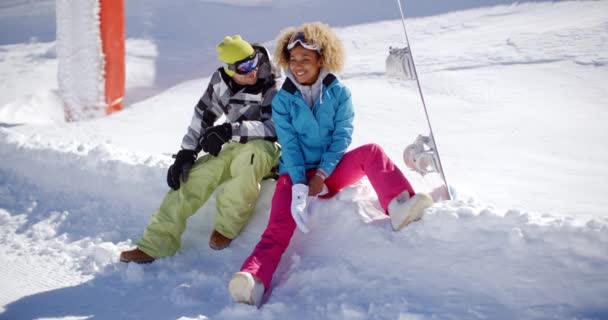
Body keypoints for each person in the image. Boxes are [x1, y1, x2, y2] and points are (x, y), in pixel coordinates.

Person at [227, 22, 434, 305]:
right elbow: (289, 145)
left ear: (321, 59)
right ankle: (254, 279)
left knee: (371, 152)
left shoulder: (339, 94)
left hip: (331, 169)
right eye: (294, 59)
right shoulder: (283, 99)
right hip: (294, 173)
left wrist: (322, 174)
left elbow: (341, 137)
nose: (298, 66)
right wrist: (299, 184)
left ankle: (399, 205)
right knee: (277, 227)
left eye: (306, 59)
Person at [120, 35, 281, 264]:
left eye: (253, 61)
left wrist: (229, 130)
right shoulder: (221, 82)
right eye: (244, 67)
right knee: (193, 178)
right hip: (235, 145)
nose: (252, 70)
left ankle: (227, 226)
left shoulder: (272, 78)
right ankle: (156, 244)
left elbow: (275, 126)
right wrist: (187, 152)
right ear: (228, 69)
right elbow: (203, 116)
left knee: (249, 159)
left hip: (267, 148)